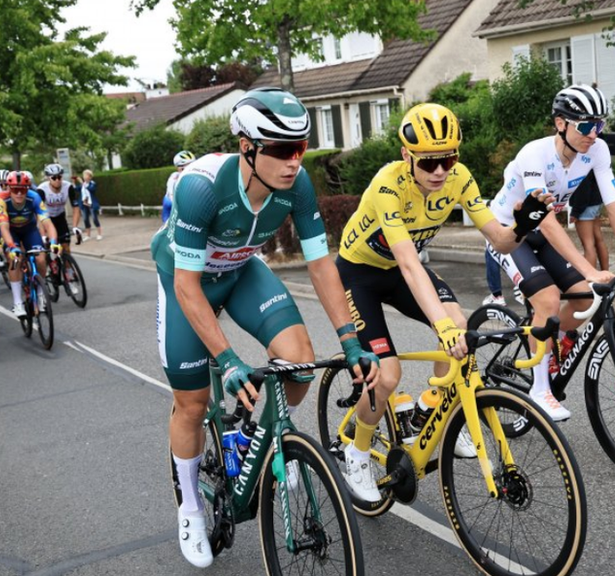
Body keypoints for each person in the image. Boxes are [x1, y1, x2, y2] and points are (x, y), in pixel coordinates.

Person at [150, 87, 380, 569]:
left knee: (298, 364)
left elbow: (321, 267)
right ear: (246, 147)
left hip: (239, 273)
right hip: (186, 281)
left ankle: (263, 438)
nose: (293, 161)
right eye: (279, 149)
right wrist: (228, 358)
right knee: (191, 405)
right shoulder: (202, 188)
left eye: (300, 148)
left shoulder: (298, 185)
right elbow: (189, 289)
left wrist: (351, 340)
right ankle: (189, 505)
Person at [334, 103, 550, 502]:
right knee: (387, 376)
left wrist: (523, 224)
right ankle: (357, 451)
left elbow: (500, 240)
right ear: (406, 156)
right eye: (429, 162)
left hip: (401, 269)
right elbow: (409, 263)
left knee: (460, 327)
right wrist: (442, 326)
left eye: (447, 159)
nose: (439, 171)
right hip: (359, 273)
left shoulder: (459, 179)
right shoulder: (387, 185)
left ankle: (428, 407)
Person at [488, 85, 615, 421]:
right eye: (585, 126)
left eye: (600, 125)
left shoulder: (597, 151)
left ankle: (551, 337)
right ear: (561, 124)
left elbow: (614, 206)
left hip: (542, 231)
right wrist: (588, 268)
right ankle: (539, 390)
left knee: (582, 298)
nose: (593, 134)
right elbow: (547, 221)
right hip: (510, 232)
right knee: (549, 299)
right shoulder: (533, 155)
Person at [0, 171, 60, 317]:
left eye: (22, 189)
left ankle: (41, 294)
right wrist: (11, 246)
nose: (19, 193)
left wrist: (54, 242)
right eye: (15, 189)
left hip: (29, 230)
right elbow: (3, 228)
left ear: (27, 189)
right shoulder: (0, 200)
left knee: (41, 259)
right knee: (15, 259)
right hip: (11, 232)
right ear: (8, 189)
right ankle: (17, 302)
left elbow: (47, 223)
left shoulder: (34, 197)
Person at [568, 171, 609, 271]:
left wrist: (576, 212)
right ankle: (606, 272)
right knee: (599, 239)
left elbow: (582, 188)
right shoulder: (592, 159)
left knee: (588, 244)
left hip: (586, 205)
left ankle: (591, 278)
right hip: (596, 201)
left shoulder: (581, 162)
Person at [38, 164, 77, 253]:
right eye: (54, 178)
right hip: (47, 219)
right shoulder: (42, 190)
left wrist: (75, 226)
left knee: (65, 247)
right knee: (49, 248)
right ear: (48, 178)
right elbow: (39, 213)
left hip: (60, 218)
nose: (57, 180)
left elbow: (76, 207)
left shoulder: (68, 186)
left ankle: (68, 267)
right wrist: (43, 234)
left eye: (59, 177)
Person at [163, 150, 195, 223]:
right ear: (180, 167)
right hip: (170, 204)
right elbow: (171, 194)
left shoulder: (192, 177)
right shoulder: (174, 176)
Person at [81, 169, 101, 240]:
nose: (84, 177)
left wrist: (83, 184)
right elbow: (77, 189)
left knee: (94, 218)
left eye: (86, 175)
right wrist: (74, 183)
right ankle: (88, 235)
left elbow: (91, 189)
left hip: (91, 203)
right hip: (84, 203)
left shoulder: (92, 183)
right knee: (85, 219)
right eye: (84, 175)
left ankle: (99, 234)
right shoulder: (83, 184)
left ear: (90, 176)